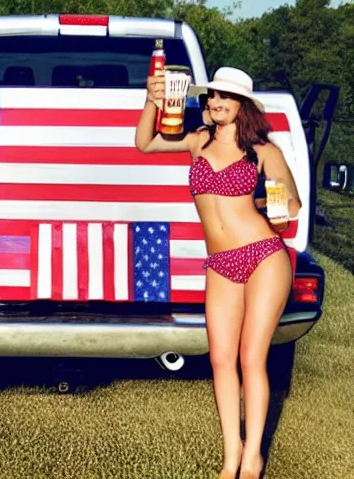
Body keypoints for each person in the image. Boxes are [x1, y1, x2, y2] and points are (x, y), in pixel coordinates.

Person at [135, 67, 301, 479]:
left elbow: (290, 206)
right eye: (211, 96)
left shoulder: (263, 150)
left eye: (225, 97)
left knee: (251, 356)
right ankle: (231, 457)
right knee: (221, 359)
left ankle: (252, 458)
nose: (215, 103)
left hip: (263, 254)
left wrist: (272, 206)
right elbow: (144, 144)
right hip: (222, 264)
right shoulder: (197, 141)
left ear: (243, 105)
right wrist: (153, 100)